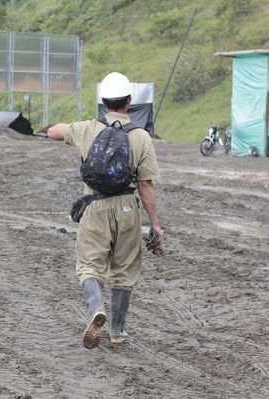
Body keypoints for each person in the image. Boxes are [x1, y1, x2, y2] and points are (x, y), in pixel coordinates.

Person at [47, 72, 164, 349]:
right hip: (127, 208)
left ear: (103, 101)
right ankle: (117, 331)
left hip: (95, 207)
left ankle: (96, 308)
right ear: (129, 101)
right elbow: (146, 185)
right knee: (124, 270)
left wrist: (68, 128)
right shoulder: (141, 136)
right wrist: (155, 225)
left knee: (89, 265)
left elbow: (53, 131)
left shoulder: (87, 128)